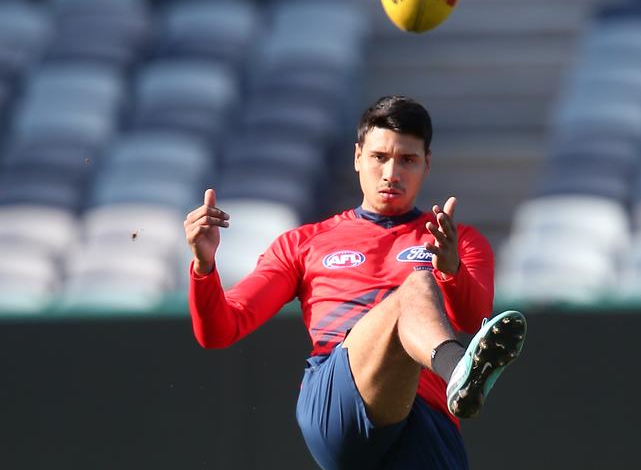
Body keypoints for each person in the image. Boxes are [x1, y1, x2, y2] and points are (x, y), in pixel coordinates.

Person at [184, 95, 527, 469]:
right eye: (380, 157)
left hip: (425, 417)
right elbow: (219, 330)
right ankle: (459, 371)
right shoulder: (303, 243)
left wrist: (451, 269)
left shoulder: (456, 242)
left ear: (427, 164)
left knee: (422, 289)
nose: (391, 174)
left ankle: (461, 378)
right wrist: (204, 267)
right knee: (416, 287)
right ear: (358, 157)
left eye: (407, 160)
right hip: (337, 401)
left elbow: (474, 316)